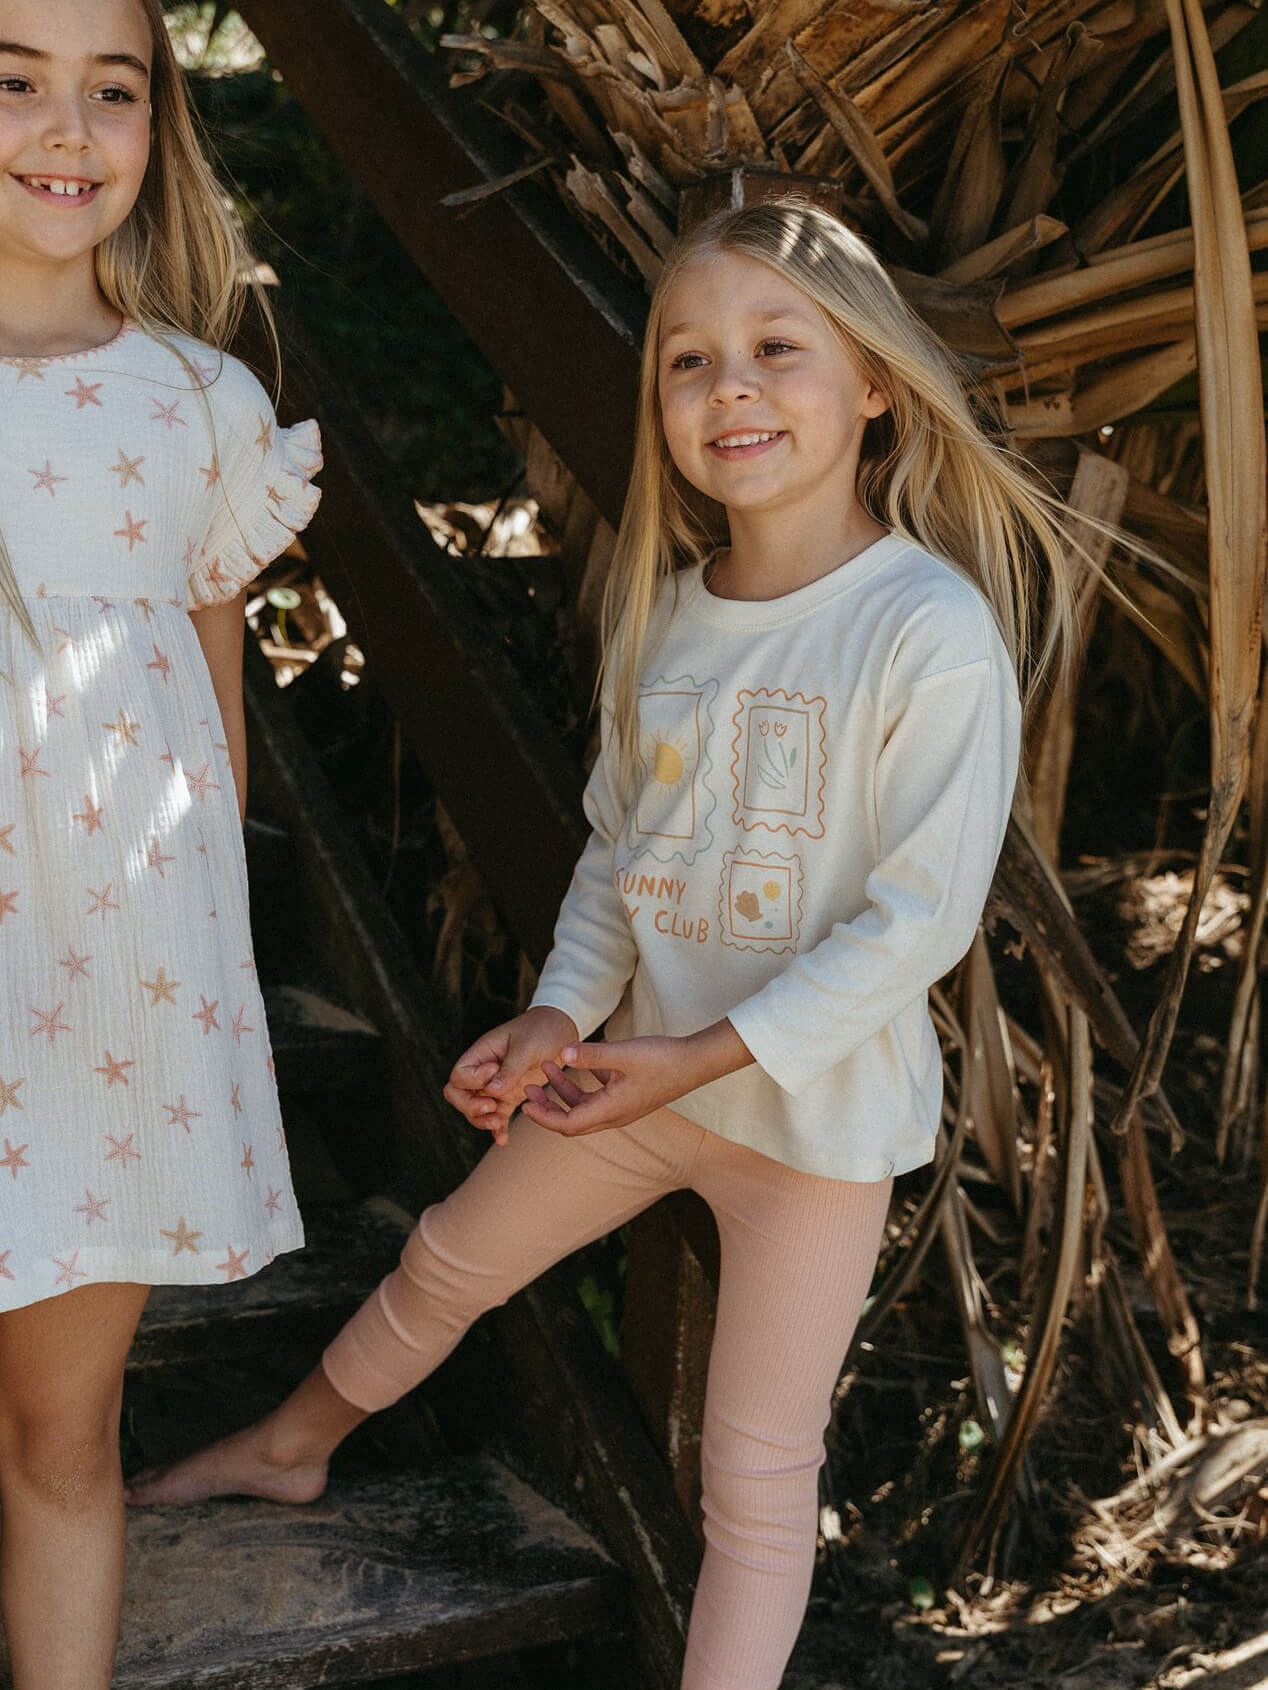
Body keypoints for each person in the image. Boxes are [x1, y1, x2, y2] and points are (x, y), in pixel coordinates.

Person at [127, 197, 1082, 1690]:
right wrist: (560, 1018)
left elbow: (919, 924)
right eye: (689, 362)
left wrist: (686, 1058)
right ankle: (294, 1442)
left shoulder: (926, 627)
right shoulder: (671, 614)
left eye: (779, 348)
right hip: (632, 1083)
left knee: (759, 1477)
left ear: (878, 384)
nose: (731, 390)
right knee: (447, 1257)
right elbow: (623, 863)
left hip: (810, 1133)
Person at [0, 1, 320, 1684]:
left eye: (109, 88)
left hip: (94, 1009)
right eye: (16, 80)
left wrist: (210, 971)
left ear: (157, 127)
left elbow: (214, 723)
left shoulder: (197, 403)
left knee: (63, 1440)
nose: (67, 126)